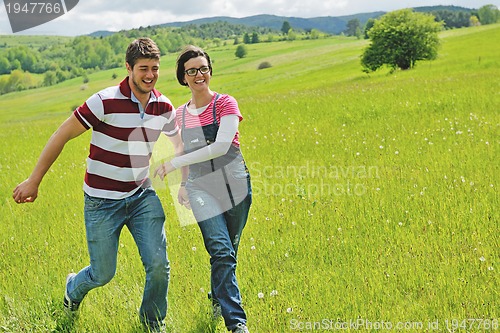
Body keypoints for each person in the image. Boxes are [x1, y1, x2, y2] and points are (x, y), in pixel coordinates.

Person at [12, 37, 184, 332]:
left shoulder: (163, 106)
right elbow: (62, 134)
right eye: (143, 68)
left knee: (158, 265)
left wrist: (183, 180)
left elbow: (178, 144)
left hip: (142, 195)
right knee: (103, 273)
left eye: (155, 68)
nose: (150, 75)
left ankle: (152, 323)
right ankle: (72, 289)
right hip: (102, 202)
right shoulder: (104, 101)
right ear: (128, 67)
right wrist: (34, 180)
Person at [155, 45, 252, 333]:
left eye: (203, 69)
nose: (199, 75)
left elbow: (222, 146)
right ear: (183, 77)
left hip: (234, 183)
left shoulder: (225, 103)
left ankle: (217, 297)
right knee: (221, 250)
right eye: (192, 71)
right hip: (201, 188)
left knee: (229, 251)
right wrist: (184, 183)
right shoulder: (181, 115)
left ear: (210, 71)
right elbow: (185, 149)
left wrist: (175, 162)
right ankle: (237, 323)